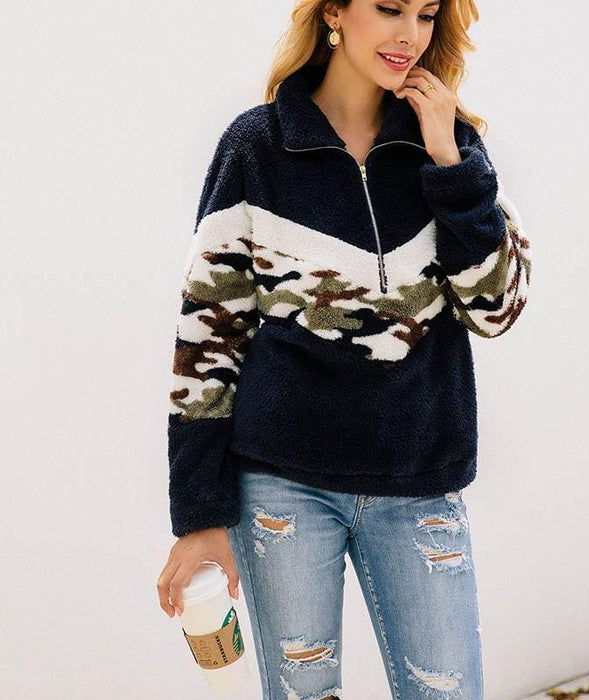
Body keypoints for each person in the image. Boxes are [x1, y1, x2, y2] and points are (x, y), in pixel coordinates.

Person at [157, 0, 531, 697]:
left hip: (418, 480)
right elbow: (209, 335)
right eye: (388, 8)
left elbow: (495, 309)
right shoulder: (257, 148)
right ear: (333, 12)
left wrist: (449, 162)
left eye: (426, 14)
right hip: (283, 485)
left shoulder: (449, 146)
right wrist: (200, 514)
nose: (409, 34)